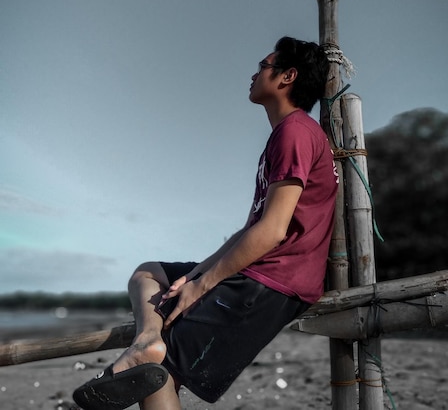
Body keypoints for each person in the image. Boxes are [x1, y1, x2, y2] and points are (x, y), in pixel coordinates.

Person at [73, 36, 339, 410]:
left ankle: (150, 352)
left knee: (159, 374)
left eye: (262, 66)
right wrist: (197, 272)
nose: (253, 73)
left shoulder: (296, 132)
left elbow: (274, 229)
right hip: (259, 269)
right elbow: (250, 229)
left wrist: (202, 286)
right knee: (148, 274)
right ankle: (147, 341)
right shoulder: (286, 134)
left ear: (286, 76)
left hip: (272, 280)